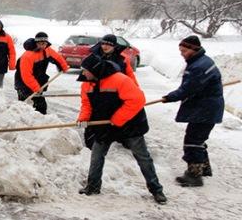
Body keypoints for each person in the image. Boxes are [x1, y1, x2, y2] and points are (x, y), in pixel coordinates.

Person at [76, 54, 167, 205]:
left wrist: (117, 119)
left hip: (130, 125)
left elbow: (137, 100)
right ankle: (92, 186)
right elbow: (86, 104)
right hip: (104, 125)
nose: (83, 73)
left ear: (94, 69)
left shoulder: (120, 80)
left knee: (143, 158)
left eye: (85, 70)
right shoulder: (87, 84)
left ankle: (156, 190)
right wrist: (83, 118)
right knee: (97, 155)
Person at [162, 35, 224, 187]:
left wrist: (170, 97)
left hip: (205, 109)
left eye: (184, 50)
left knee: (193, 141)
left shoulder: (198, 67)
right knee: (198, 139)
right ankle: (204, 168)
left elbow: (187, 89)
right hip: (208, 106)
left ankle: (194, 175)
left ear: (193, 49)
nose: (181, 53)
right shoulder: (203, 61)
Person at [14, 32, 68, 114]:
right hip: (23, 83)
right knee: (24, 105)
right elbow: (26, 75)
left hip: (38, 81)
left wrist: (63, 66)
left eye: (44, 43)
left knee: (40, 106)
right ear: (36, 43)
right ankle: (20, 119)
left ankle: (39, 119)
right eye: (40, 43)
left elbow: (57, 57)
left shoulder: (47, 50)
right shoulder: (28, 56)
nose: (43, 46)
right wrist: (36, 87)